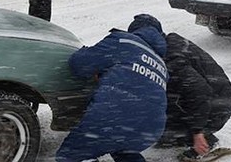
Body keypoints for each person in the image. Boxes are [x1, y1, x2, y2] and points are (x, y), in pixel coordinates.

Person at [56, 14, 169, 162]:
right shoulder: (161, 65)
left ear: (134, 29)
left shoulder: (123, 40)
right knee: (123, 149)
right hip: (150, 129)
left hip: (113, 117)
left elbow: (79, 64)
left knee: (70, 156)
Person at [157, 32, 231, 160]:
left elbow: (199, 93)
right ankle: (179, 134)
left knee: (163, 114)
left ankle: (204, 138)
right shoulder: (167, 44)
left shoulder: (173, 59)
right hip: (215, 96)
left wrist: (197, 132)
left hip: (216, 107)